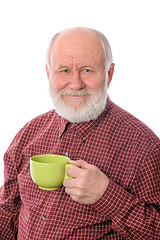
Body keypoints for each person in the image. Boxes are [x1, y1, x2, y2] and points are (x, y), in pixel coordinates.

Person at [0, 27, 160, 240]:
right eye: (64, 70)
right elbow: (7, 213)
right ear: (49, 74)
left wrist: (108, 196)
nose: (75, 84)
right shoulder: (29, 133)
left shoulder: (145, 148)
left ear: (109, 74)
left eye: (87, 70)